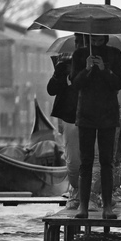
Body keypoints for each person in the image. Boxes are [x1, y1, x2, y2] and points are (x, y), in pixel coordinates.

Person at [71, 34, 121, 219]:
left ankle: (107, 206)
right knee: (85, 162)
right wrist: (86, 69)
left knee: (106, 161)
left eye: (100, 36)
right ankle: (83, 206)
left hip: (108, 114)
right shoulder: (79, 55)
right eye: (94, 36)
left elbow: (118, 83)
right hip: (86, 113)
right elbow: (75, 83)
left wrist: (104, 70)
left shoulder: (114, 54)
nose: (97, 39)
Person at [46, 37, 83, 210]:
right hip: (70, 116)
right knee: (74, 160)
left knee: (95, 159)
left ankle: (92, 194)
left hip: (94, 116)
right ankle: (76, 191)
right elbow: (51, 89)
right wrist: (65, 76)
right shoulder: (63, 65)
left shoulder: (99, 60)